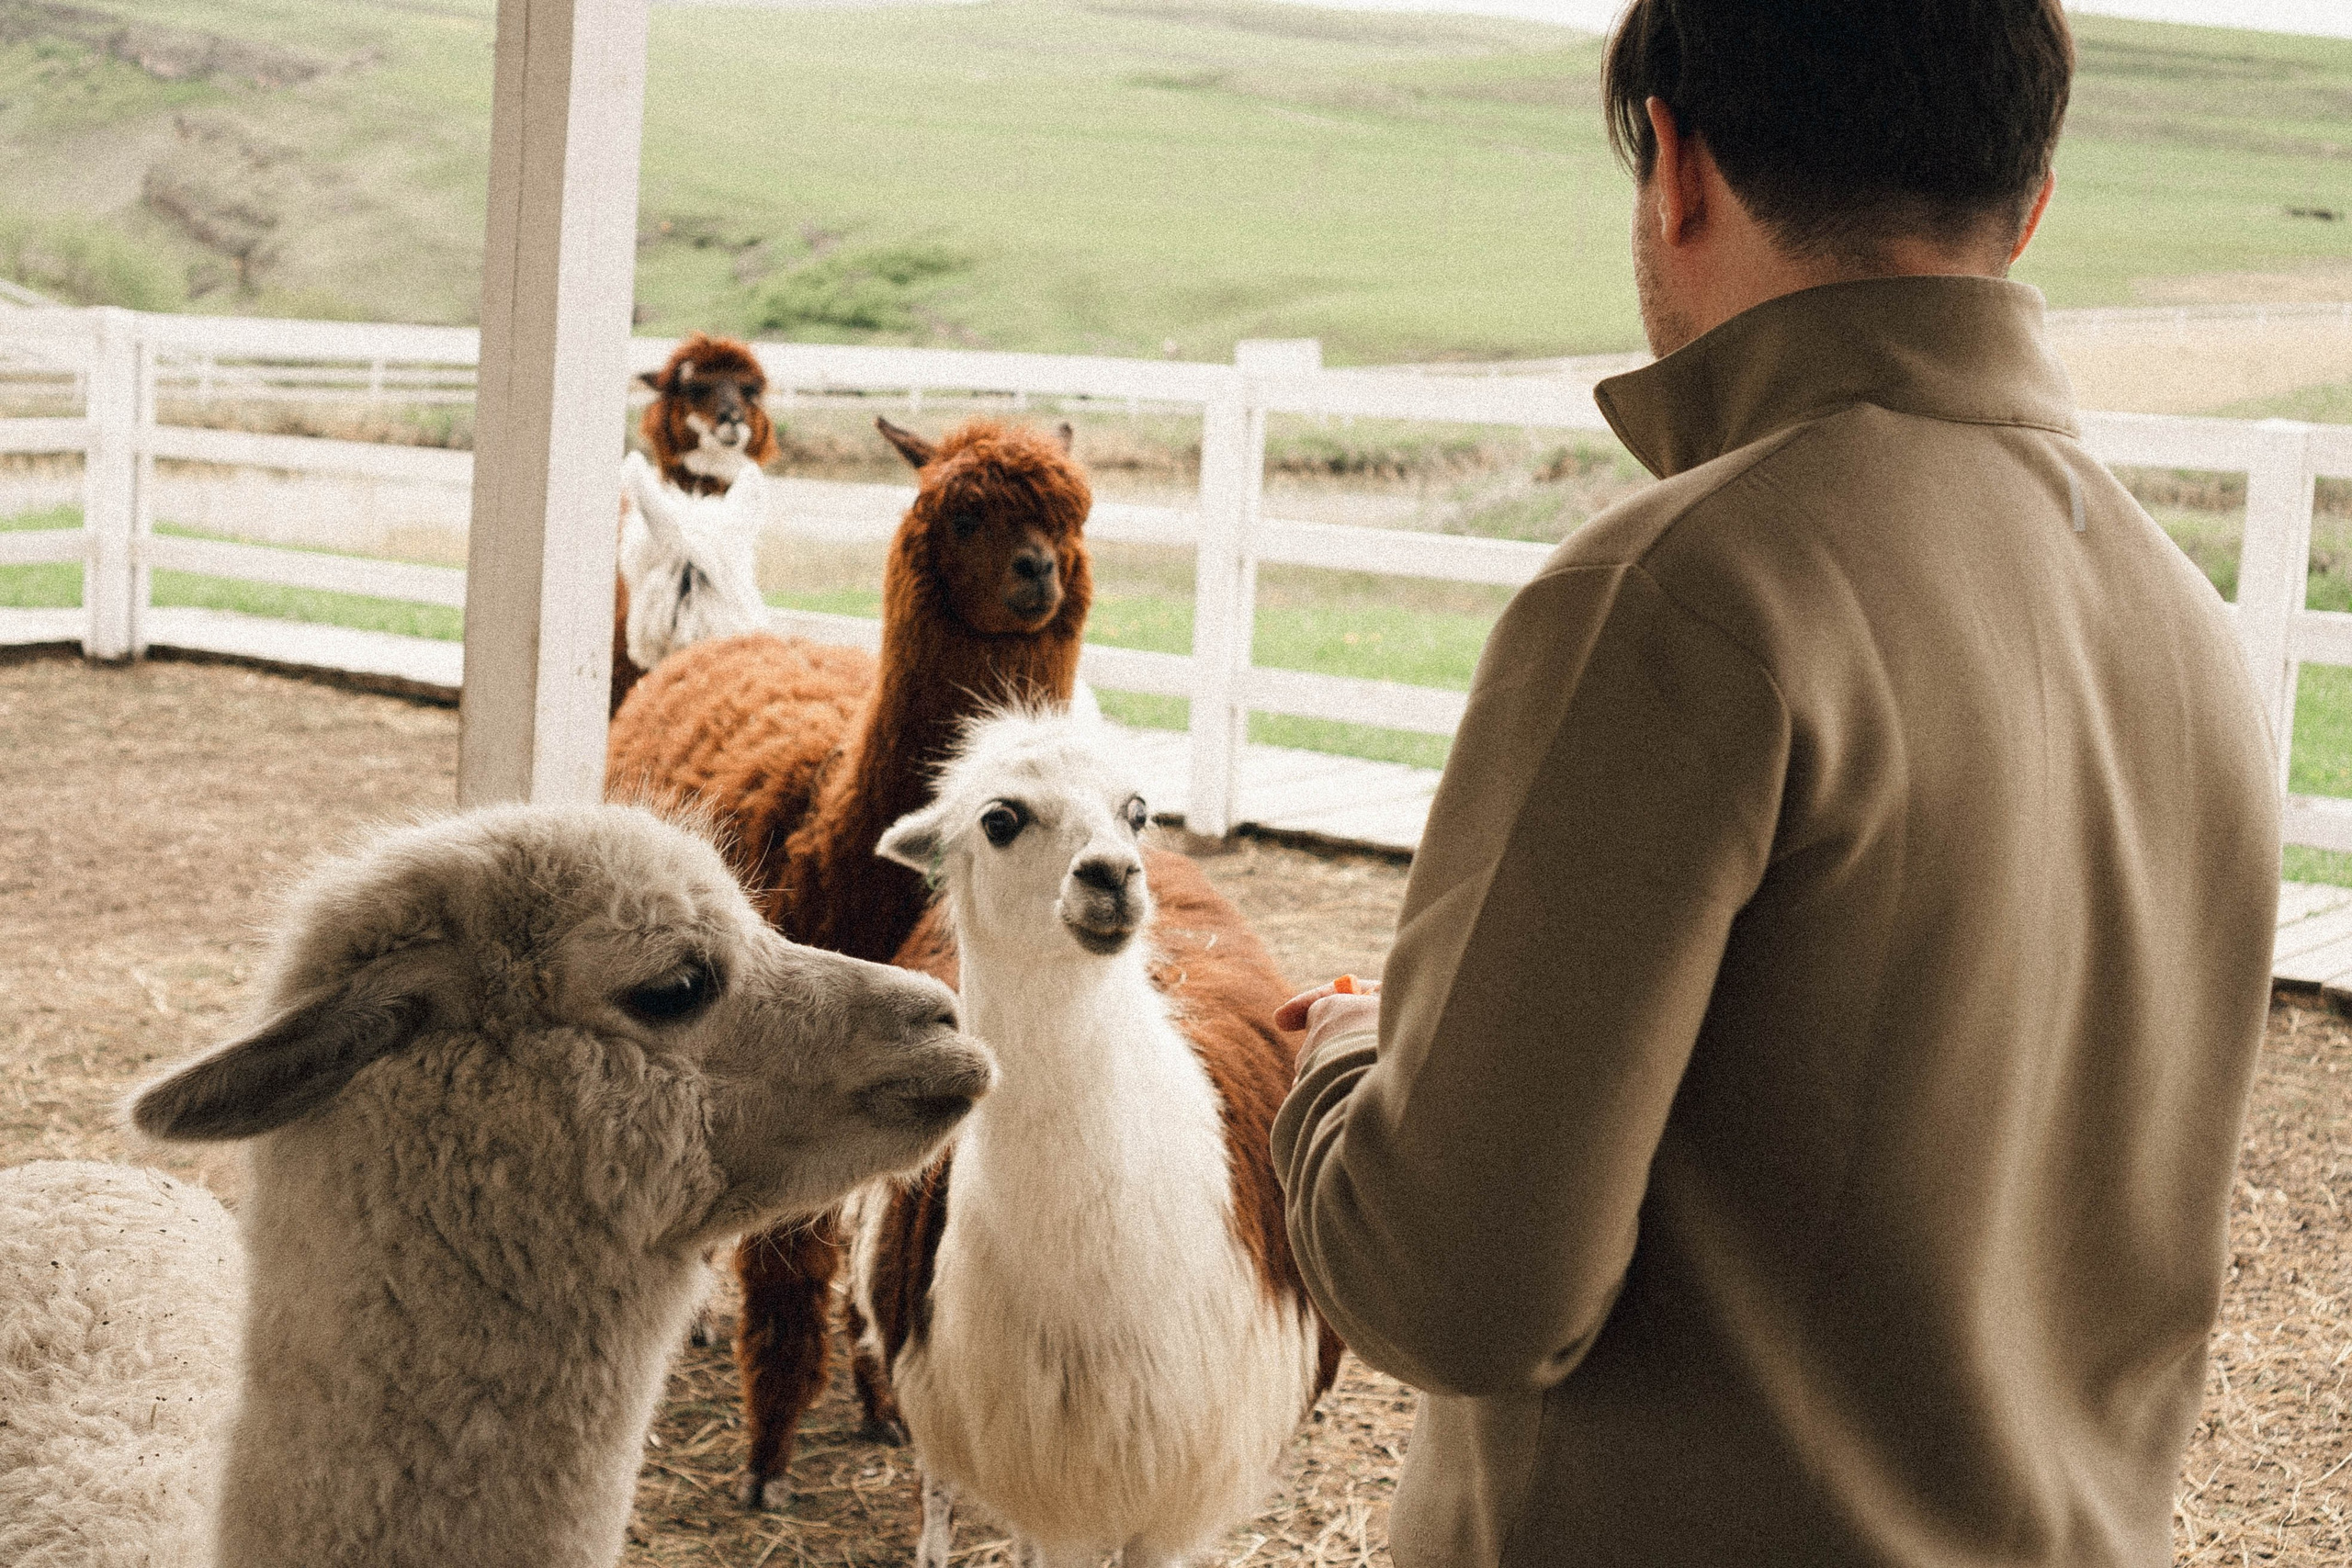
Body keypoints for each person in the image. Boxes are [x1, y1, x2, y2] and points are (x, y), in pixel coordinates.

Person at [1268, 4, 2281, 1565]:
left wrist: (1340, 1065)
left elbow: (1452, 1289)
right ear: (2032, 200)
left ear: (1675, 162)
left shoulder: (1687, 592)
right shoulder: (2190, 630)